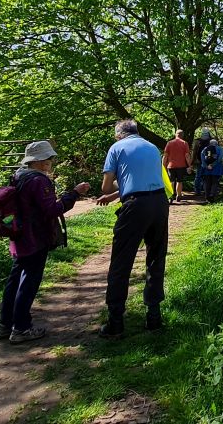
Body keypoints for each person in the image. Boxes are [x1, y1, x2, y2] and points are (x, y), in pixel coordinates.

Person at [0, 140, 89, 344]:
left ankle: (6, 324)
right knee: (29, 281)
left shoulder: (18, 175)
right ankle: (21, 328)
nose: (51, 161)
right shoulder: (39, 181)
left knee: (15, 279)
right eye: (49, 158)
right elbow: (52, 210)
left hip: (19, 235)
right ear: (39, 161)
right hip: (35, 236)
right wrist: (74, 194)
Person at [96, 120, 169, 337]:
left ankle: (115, 321)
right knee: (156, 258)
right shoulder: (152, 147)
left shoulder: (116, 148)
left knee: (121, 261)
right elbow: (145, 179)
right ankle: (154, 316)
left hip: (134, 207)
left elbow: (106, 186)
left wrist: (114, 189)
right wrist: (117, 193)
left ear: (119, 135)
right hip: (159, 204)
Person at [162, 130, 190, 203]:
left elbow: (165, 156)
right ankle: (178, 195)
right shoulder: (184, 143)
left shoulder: (169, 143)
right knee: (179, 181)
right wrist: (189, 165)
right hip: (181, 165)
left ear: (175, 134)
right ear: (182, 135)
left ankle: (171, 196)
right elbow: (187, 156)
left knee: (171, 181)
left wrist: (163, 165)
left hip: (171, 166)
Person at [190, 128, 212, 196]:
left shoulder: (197, 141)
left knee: (198, 176)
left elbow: (194, 152)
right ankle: (206, 190)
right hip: (208, 162)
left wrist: (192, 162)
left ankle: (197, 191)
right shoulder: (211, 140)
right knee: (207, 176)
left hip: (199, 161)